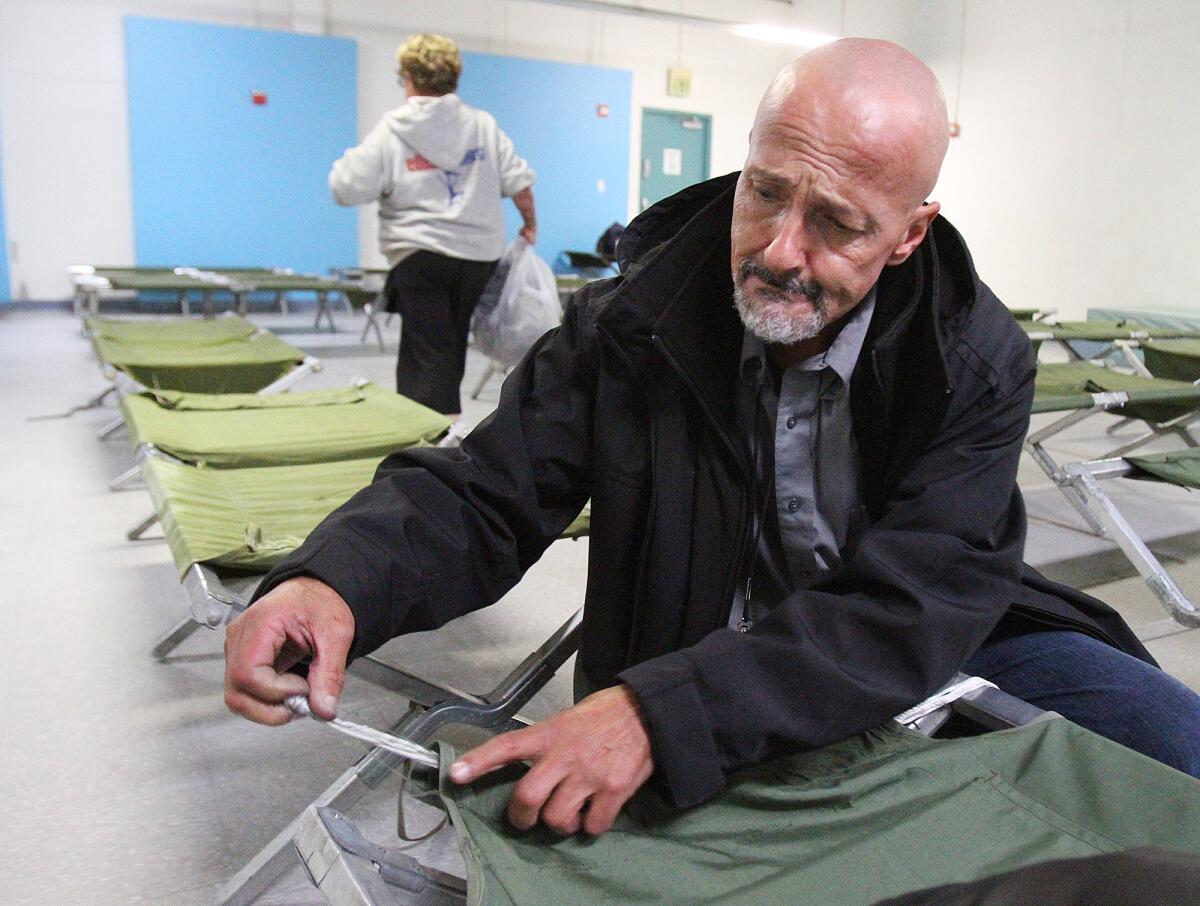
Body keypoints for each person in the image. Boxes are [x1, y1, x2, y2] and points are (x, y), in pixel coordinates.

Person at [226, 38, 1200, 839]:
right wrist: (335, 576)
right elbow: (489, 488)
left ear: (908, 235)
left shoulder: (976, 359)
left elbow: (915, 602)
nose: (781, 250)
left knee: (1171, 744)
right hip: (691, 644)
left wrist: (665, 715)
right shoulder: (628, 324)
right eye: (766, 192)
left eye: (836, 224)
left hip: (929, 642)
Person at [328, 33, 537, 416]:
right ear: (454, 77)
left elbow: (345, 187)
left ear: (408, 77)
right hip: (478, 255)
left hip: (420, 253)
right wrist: (530, 225)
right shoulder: (482, 125)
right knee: (450, 344)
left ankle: (431, 436)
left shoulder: (393, 130)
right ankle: (440, 429)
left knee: (426, 350)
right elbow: (519, 183)